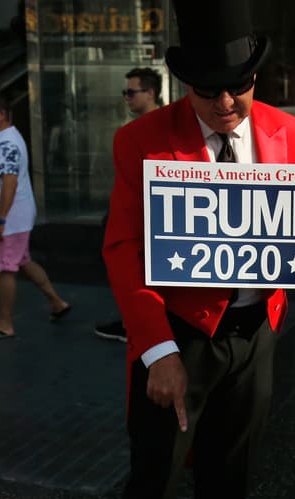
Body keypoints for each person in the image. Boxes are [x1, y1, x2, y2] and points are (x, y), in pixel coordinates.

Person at [96, 0, 295, 499]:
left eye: (241, 84)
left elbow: (293, 230)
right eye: (210, 89)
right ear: (183, 84)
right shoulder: (140, 138)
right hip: (177, 337)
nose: (228, 101)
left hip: (252, 332)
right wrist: (156, 350)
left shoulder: (291, 134)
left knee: (230, 478)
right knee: (155, 477)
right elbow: (122, 248)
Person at [0, 90, 70, 340]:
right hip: (13, 217)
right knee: (22, 261)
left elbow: (10, 182)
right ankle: (57, 302)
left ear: (2, 114)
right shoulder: (3, 138)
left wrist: (0, 220)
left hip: (10, 219)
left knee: (6, 268)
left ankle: (5, 323)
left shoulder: (6, 143)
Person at [94, 66, 164, 345]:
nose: (127, 98)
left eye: (131, 92)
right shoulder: (140, 129)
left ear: (150, 93)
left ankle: (135, 324)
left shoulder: (159, 127)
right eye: (125, 93)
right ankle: (132, 321)